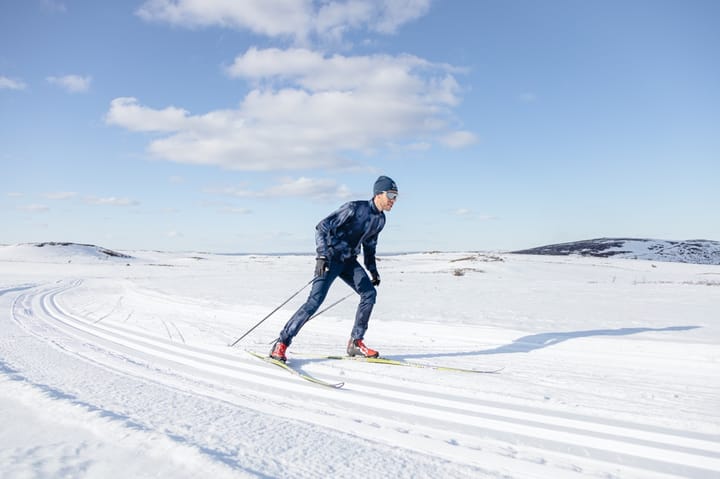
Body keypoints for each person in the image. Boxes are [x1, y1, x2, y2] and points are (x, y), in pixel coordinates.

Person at [269, 176, 399, 362]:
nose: (393, 200)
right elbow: (322, 227)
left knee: (369, 294)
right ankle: (281, 343)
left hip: (349, 261)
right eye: (391, 195)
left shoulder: (380, 220)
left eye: (396, 196)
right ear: (378, 193)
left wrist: (373, 270)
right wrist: (321, 255)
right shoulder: (354, 208)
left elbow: (370, 246)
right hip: (330, 258)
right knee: (314, 302)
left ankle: (355, 342)